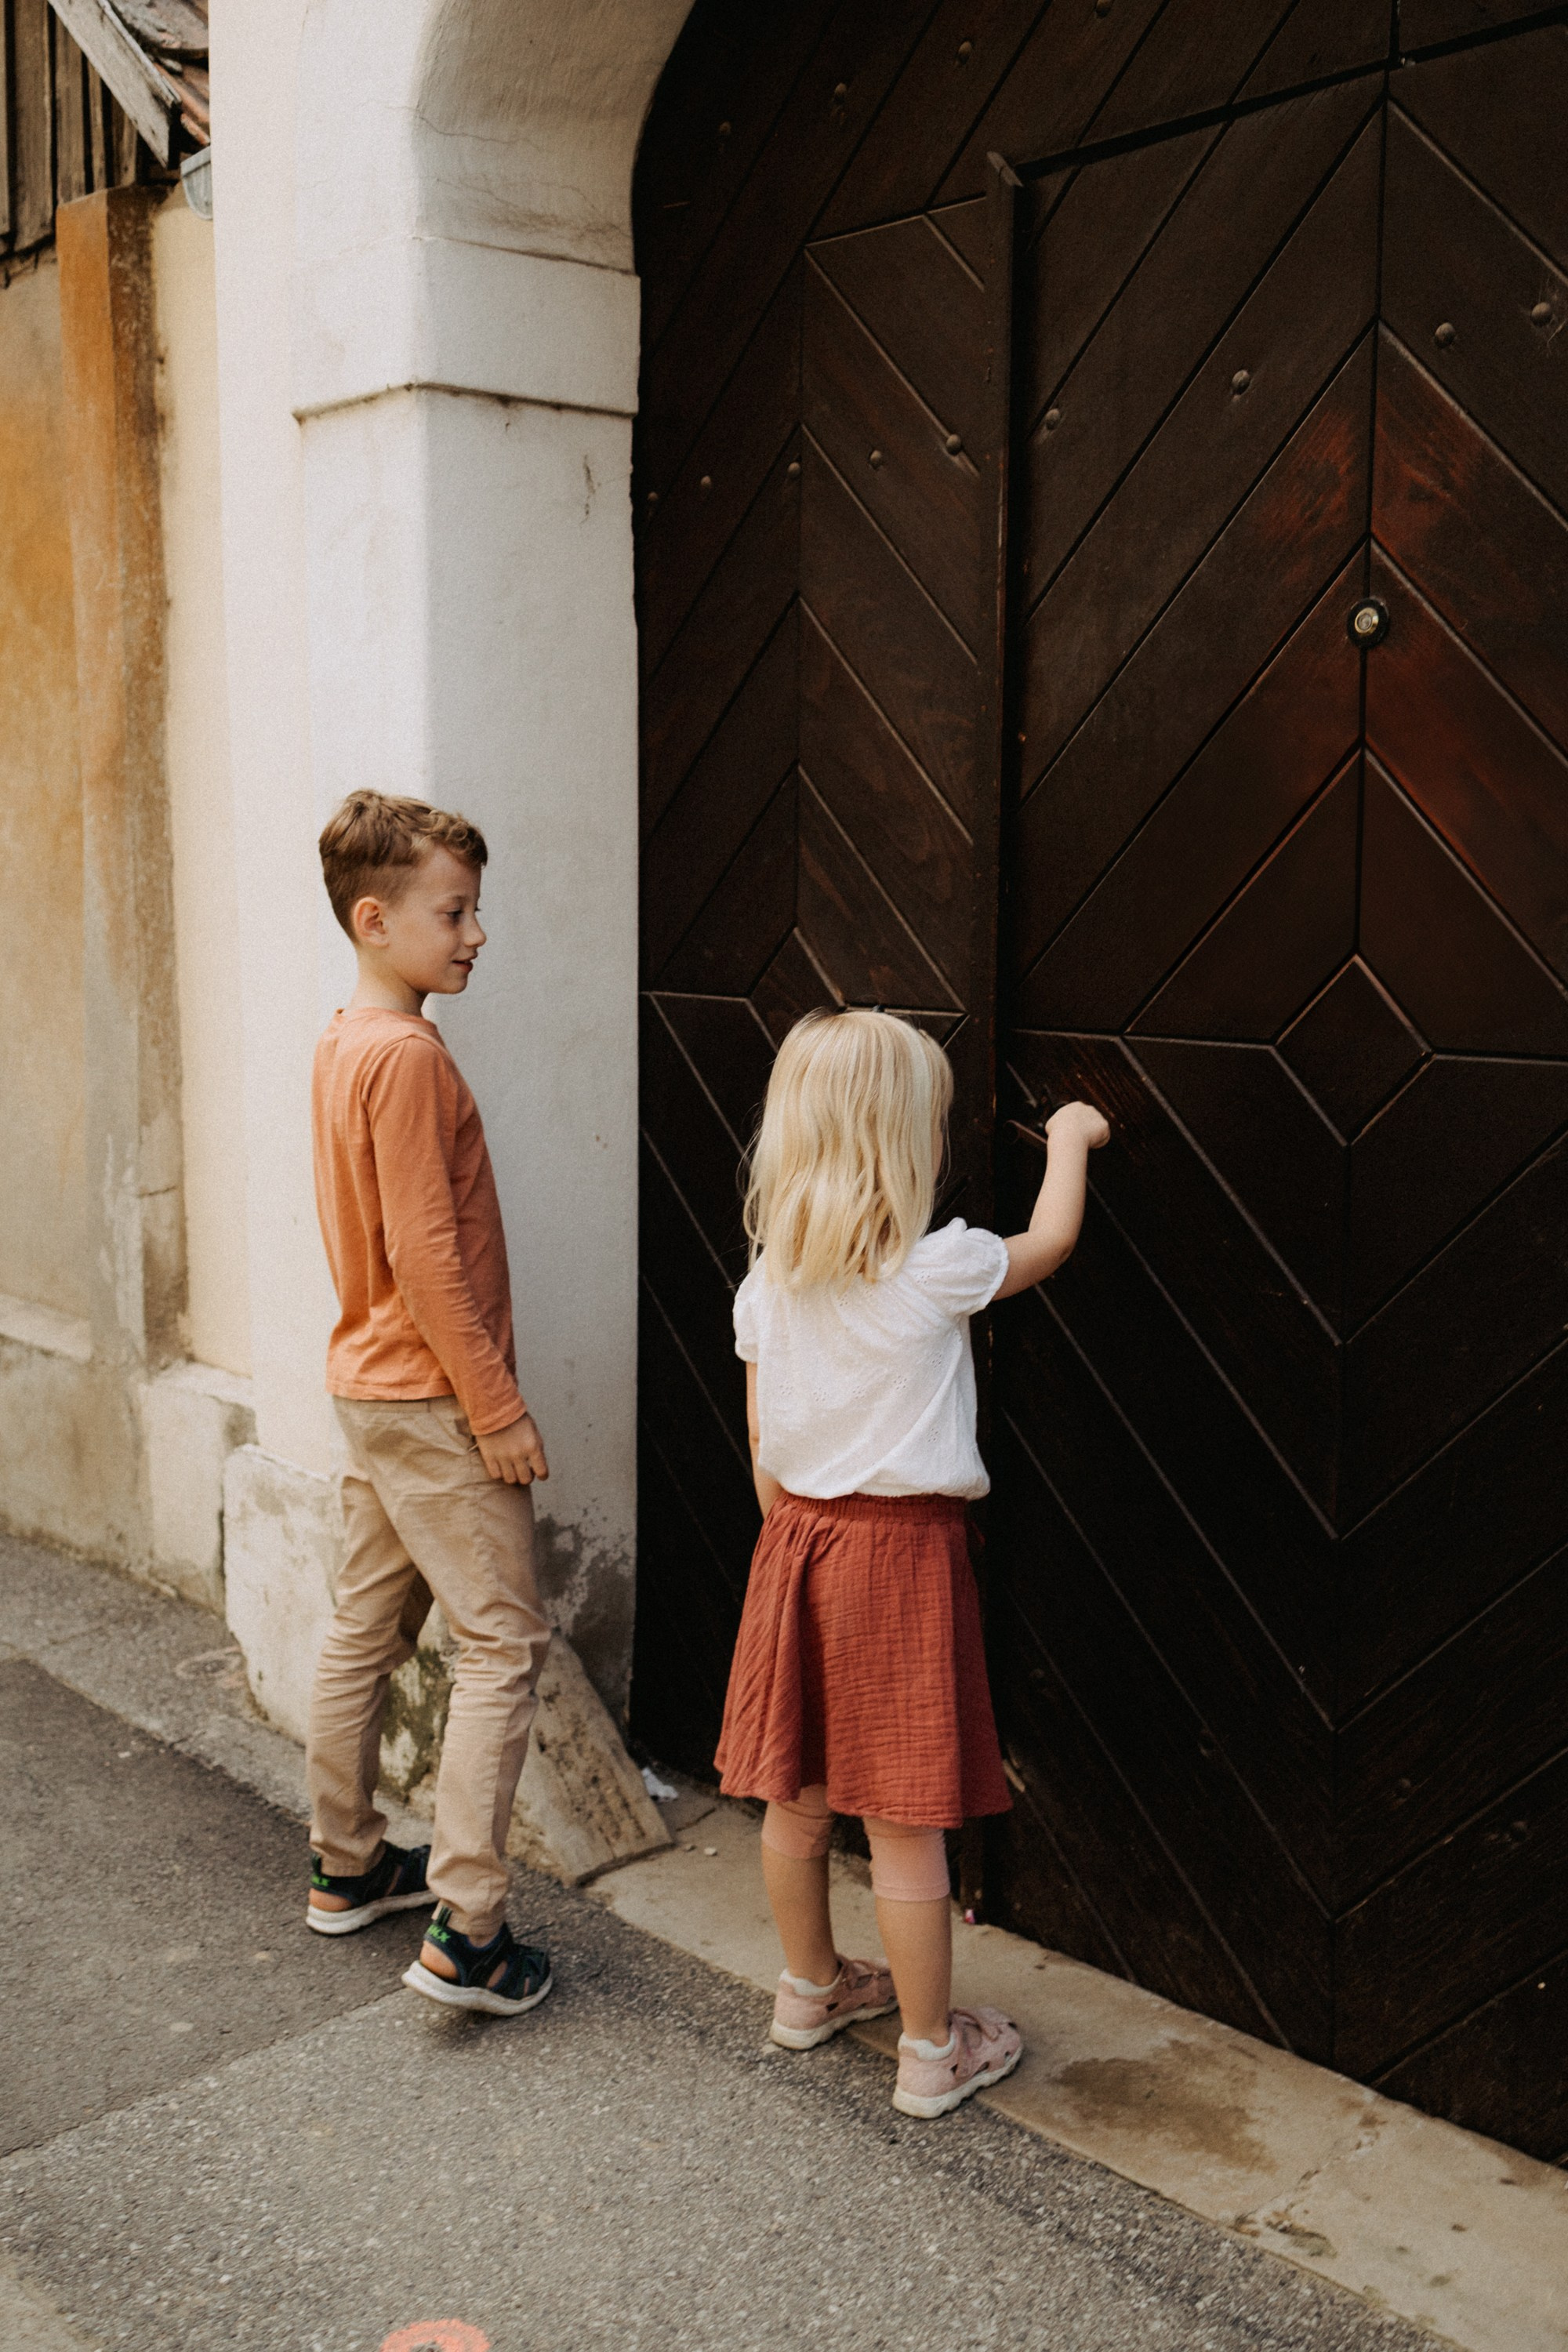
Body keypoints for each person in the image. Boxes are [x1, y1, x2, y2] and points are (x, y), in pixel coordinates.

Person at [716, 1009, 1109, 2118]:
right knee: (903, 1819)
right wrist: (1070, 1138)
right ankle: (933, 2051)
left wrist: (797, 1546)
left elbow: (763, 1447)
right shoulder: (938, 1267)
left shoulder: (768, 1284)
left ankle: (810, 1989)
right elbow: (1052, 1241)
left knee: (796, 1796)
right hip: (901, 1562)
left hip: (795, 1544)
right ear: (906, 1142)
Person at [303, 789, 554, 2019]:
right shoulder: (404, 1056)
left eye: (473, 910)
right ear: (375, 919)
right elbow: (427, 1255)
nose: (475, 934)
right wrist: (495, 1408)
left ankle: (346, 1866)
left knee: (365, 1627)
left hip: (371, 1384)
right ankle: (469, 1933)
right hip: (433, 1396)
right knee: (503, 1643)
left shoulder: (344, 1040)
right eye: (453, 913)